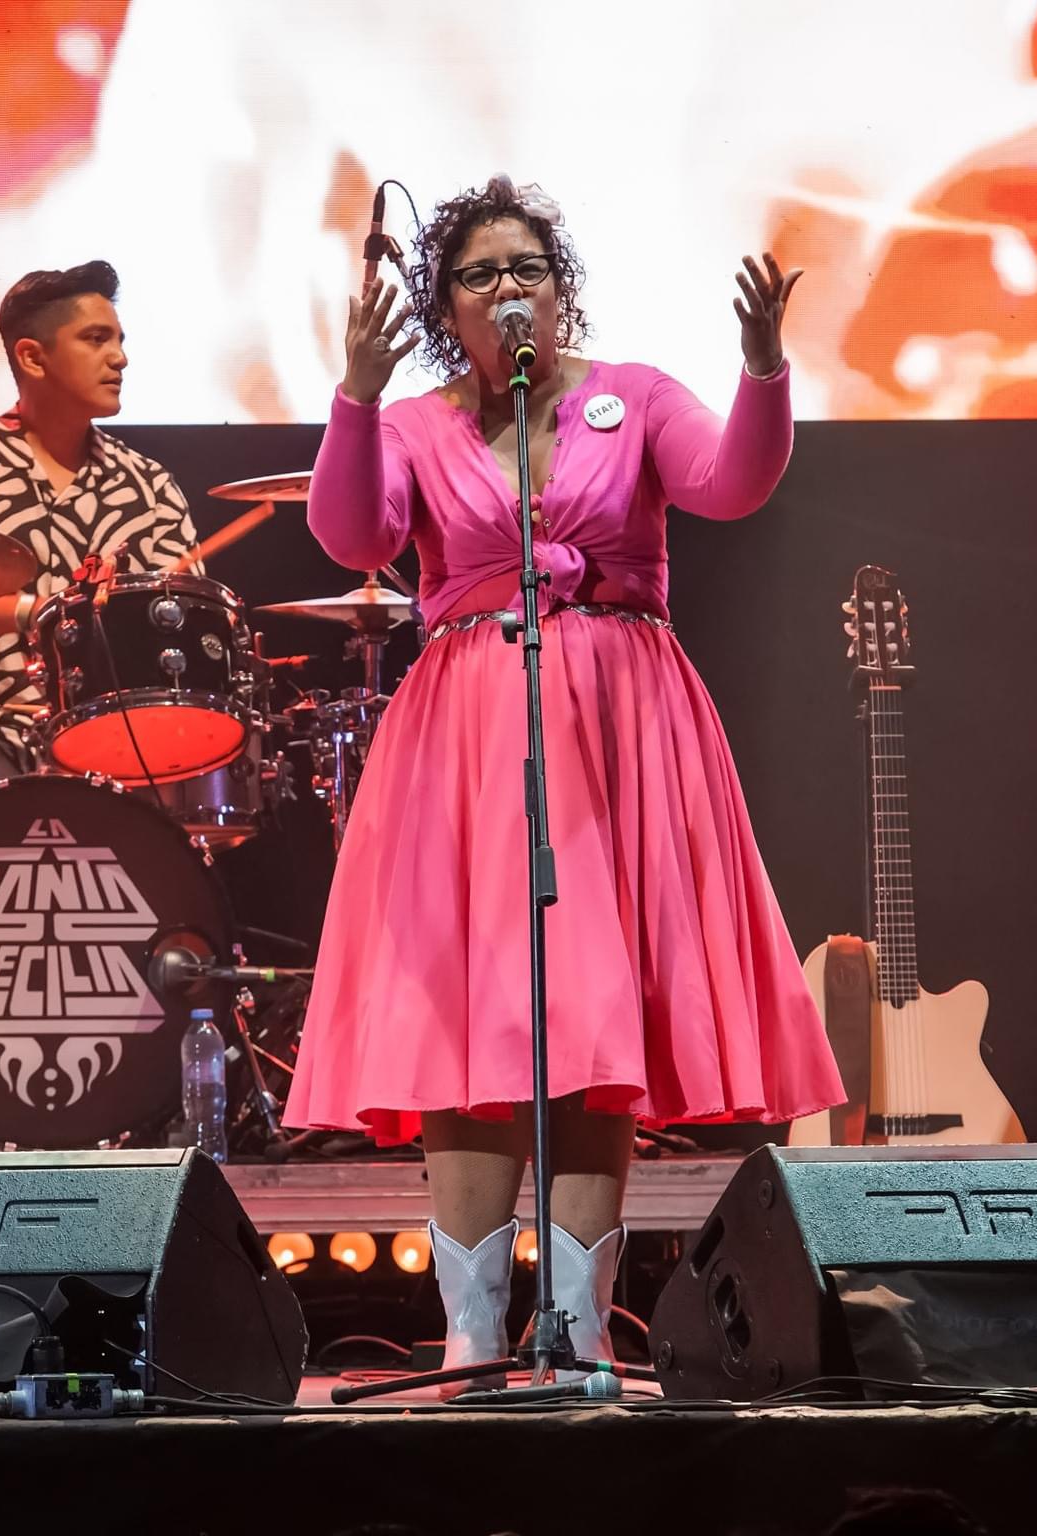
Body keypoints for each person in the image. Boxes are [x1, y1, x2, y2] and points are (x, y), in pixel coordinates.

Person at [285, 176, 844, 1388]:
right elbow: (353, 536)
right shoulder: (418, 424)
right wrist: (357, 398)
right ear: (446, 307)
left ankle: (581, 1327)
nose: (506, 289)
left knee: (593, 1019)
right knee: (468, 1018)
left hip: (619, 727)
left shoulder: (631, 397)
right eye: (478, 274)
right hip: (464, 738)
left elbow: (730, 483)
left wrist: (761, 370)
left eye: (525, 268)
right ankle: (473, 1331)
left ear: (559, 287)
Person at [0, 260, 203, 788]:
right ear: (32, 357)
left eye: (119, 340)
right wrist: (41, 612)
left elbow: (184, 630)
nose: (120, 357)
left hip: (115, 739)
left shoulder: (149, 485)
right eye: (96, 339)